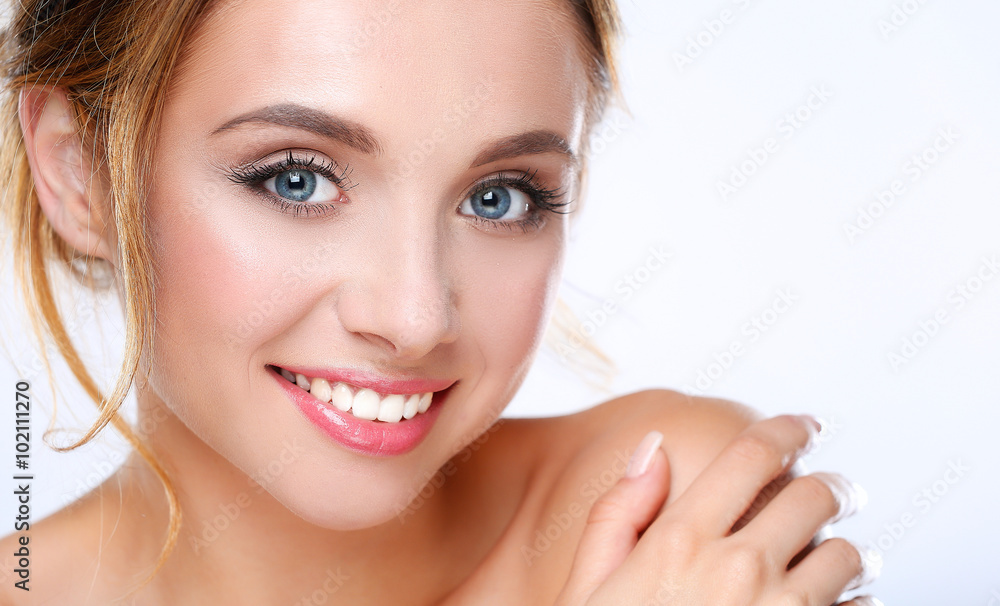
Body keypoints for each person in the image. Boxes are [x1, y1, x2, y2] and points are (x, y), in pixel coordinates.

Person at [0, 0, 881, 604]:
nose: (416, 318)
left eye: (499, 197)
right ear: (80, 176)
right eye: (298, 179)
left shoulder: (672, 517)